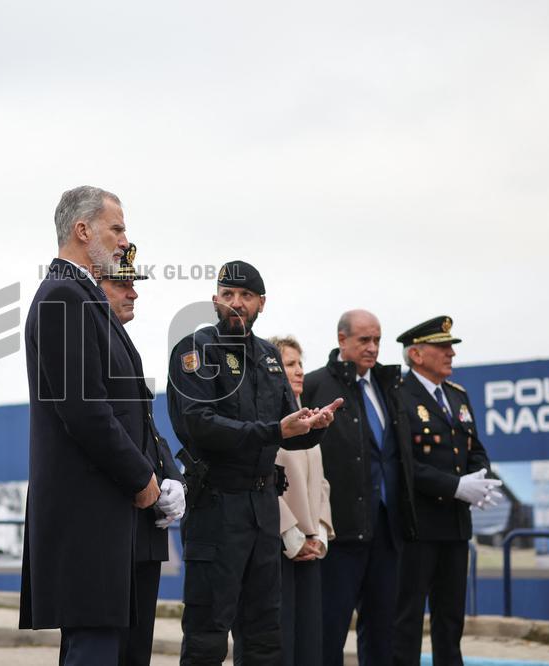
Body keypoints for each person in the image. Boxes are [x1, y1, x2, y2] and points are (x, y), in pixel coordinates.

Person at [166, 259, 342, 666]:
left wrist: (315, 426)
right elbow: (199, 424)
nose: (236, 303)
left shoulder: (267, 356)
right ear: (215, 300)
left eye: (245, 296)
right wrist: (276, 431)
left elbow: (289, 427)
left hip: (263, 510)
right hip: (216, 506)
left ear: (261, 303)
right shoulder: (195, 349)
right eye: (228, 295)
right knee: (207, 636)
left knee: (265, 635)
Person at [19, 186, 162, 666]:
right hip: (88, 519)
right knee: (94, 653)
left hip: (106, 518)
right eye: (117, 228)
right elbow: (83, 410)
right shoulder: (64, 295)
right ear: (83, 230)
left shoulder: (84, 297)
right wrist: (141, 477)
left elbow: (129, 410)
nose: (125, 241)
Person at [300, 310, 417, 666]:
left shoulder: (388, 386)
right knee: (329, 630)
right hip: (341, 531)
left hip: (386, 529)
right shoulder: (316, 385)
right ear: (342, 340)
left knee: (383, 631)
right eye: (364, 340)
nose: (372, 348)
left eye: (377, 340)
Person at [393, 316, 501, 666]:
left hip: (455, 526)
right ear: (416, 354)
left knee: (451, 617)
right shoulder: (399, 396)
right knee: (407, 617)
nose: (450, 353)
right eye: (442, 347)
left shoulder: (458, 396)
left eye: (450, 347)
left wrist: (480, 481)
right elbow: (405, 463)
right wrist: (456, 486)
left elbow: (475, 448)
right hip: (418, 525)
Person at [99, 243, 187, 666]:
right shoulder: (95, 339)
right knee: (105, 650)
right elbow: (94, 425)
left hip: (143, 530)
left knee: (136, 653)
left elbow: (148, 432)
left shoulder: (125, 344)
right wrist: (143, 478)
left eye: (134, 284)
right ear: (96, 285)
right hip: (112, 525)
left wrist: (173, 476)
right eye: (122, 283)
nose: (133, 293)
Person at [268, 336, 333, 666]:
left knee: (310, 642)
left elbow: (320, 484)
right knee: (282, 643)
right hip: (280, 548)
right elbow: (264, 482)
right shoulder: (269, 422)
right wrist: (291, 536)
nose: (298, 371)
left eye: (299, 364)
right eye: (288, 364)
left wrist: (319, 534)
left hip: (311, 548)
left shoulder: (307, 417)